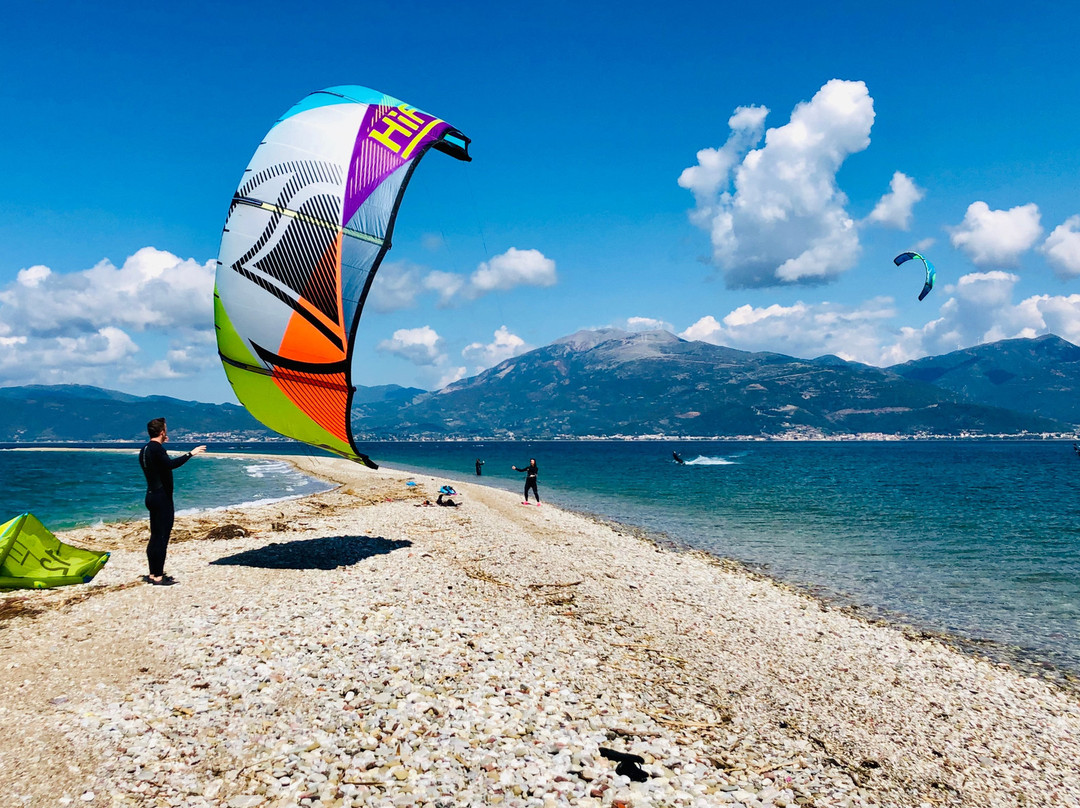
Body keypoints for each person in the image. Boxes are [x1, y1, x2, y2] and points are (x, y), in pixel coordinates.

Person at [138, 417, 206, 585]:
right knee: (162, 537)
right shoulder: (157, 449)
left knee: (154, 536)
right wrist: (191, 454)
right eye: (166, 430)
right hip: (162, 498)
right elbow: (170, 464)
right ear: (162, 432)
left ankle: (153, 573)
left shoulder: (145, 449)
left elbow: (158, 467)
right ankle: (159, 576)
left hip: (151, 495)